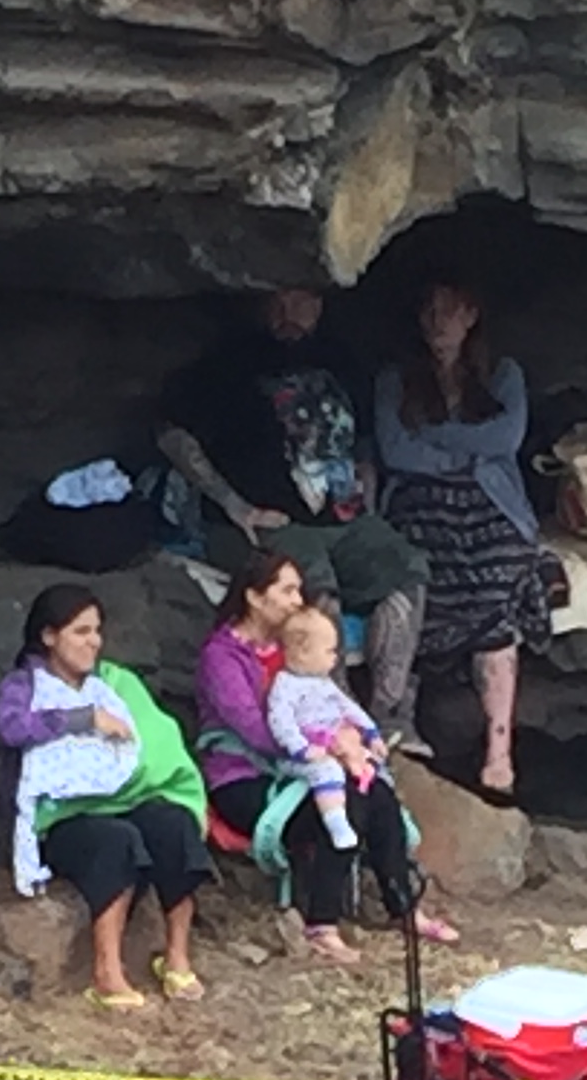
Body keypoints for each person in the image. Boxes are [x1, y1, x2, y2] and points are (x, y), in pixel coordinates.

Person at [155, 287, 429, 750]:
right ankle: (337, 715)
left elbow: (361, 440)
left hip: (343, 516)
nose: (289, 314)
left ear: (321, 304)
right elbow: (169, 431)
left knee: (406, 567)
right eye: (279, 301)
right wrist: (232, 504)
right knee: (310, 585)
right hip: (268, 520)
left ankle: (389, 711)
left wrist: (368, 497)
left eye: (302, 302)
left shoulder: (340, 358)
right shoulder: (231, 360)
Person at [196, 547, 459, 968]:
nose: (298, 600)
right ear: (255, 597)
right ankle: (322, 924)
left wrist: (351, 741)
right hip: (244, 776)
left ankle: (404, 906)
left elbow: (332, 703)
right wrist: (324, 747)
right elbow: (254, 728)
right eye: (288, 590)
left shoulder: (299, 644)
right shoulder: (222, 657)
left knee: (377, 797)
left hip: (313, 763)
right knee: (342, 808)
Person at [0, 583, 213, 1009]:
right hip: (59, 816)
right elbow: (12, 728)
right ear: (49, 636)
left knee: (173, 825)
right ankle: (107, 972)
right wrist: (83, 718)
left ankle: (177, 957)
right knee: (116, 841)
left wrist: (187, 796)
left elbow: (157, 741)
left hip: (123, 797)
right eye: (80, 631)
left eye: (97, 630)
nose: (94, 641)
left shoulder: (113, 682)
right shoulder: (24, 686)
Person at [373, 280, 548, 804]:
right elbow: (395, 449)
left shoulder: (502, 375)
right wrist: (462, 456)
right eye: (427, 310)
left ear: (471, 316)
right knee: (423, 571)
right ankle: (407, 728)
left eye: (448, 311)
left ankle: (500, 752)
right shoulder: (395, 379)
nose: (437, 322)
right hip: (421, 502)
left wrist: (437, 439)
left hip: (488, 501)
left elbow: (506, 440)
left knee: (503, 571)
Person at [265, 606, 385, 851]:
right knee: (327, 771)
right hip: (300, 755)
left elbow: (349, 708)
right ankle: (336, 821)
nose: (336, 657)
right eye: (330, 651)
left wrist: (371, 732)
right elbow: (280, 721)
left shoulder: (325, 683)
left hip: (335, 744)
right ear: (303, 652)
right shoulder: (285, 686)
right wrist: (301, 749)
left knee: (372, 764)